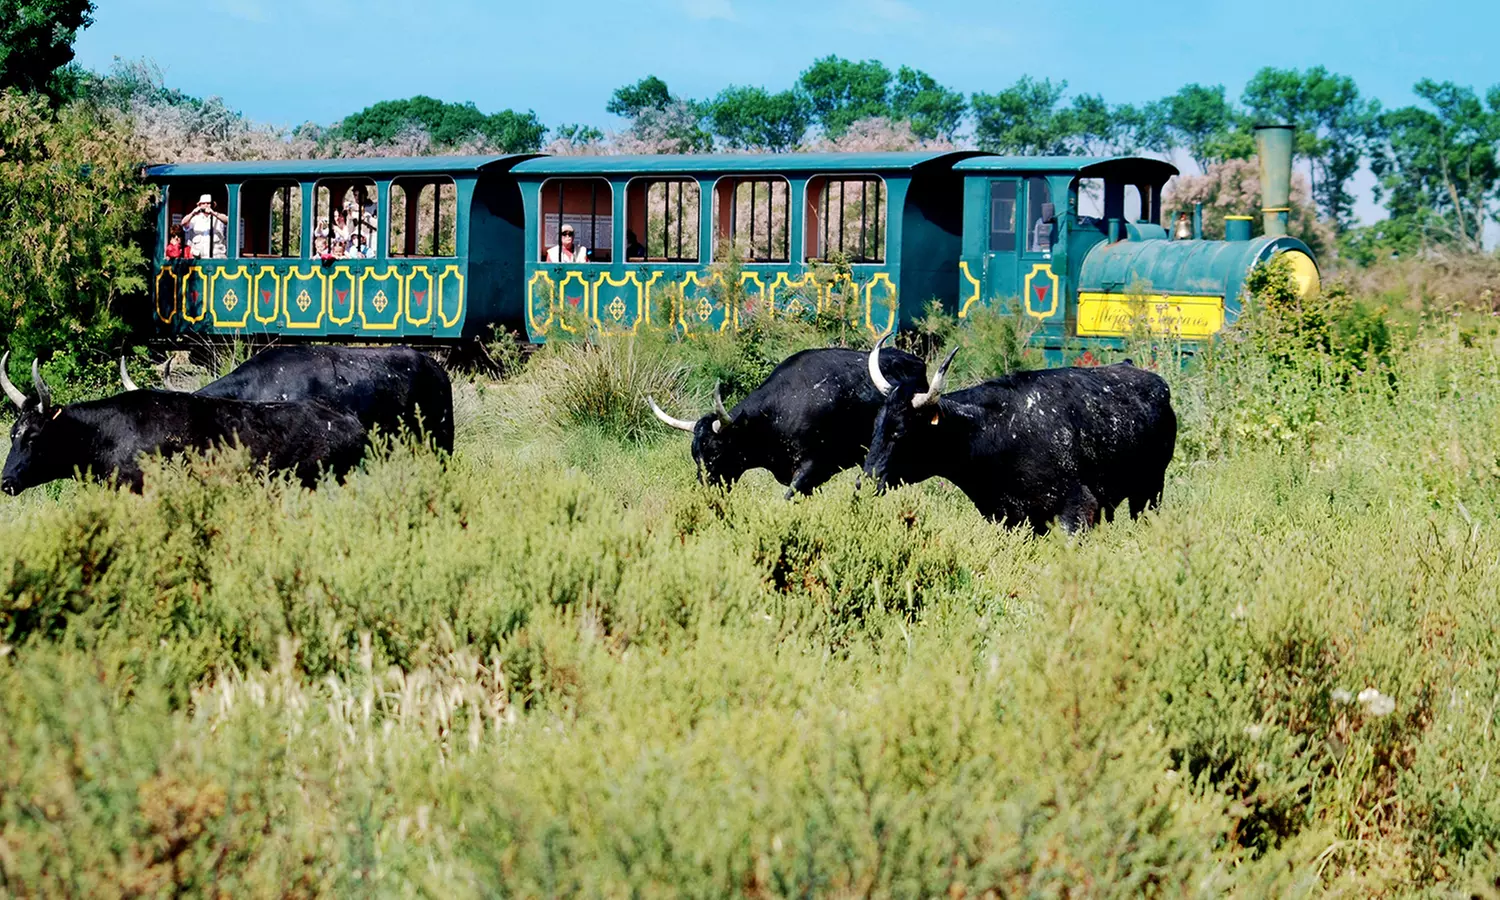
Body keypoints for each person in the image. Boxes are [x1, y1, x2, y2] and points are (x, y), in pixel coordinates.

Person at [181, 193, 228, 259]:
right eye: (203, 203)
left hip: (217, 256)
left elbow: (228, 221)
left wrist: (214, 213)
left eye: (208, 203)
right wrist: (192, 213)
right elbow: (183, 223)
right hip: (198, 257)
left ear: (212, 205)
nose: (206, 205)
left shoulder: (218, 217)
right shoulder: (195, 218)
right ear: (199, 205)